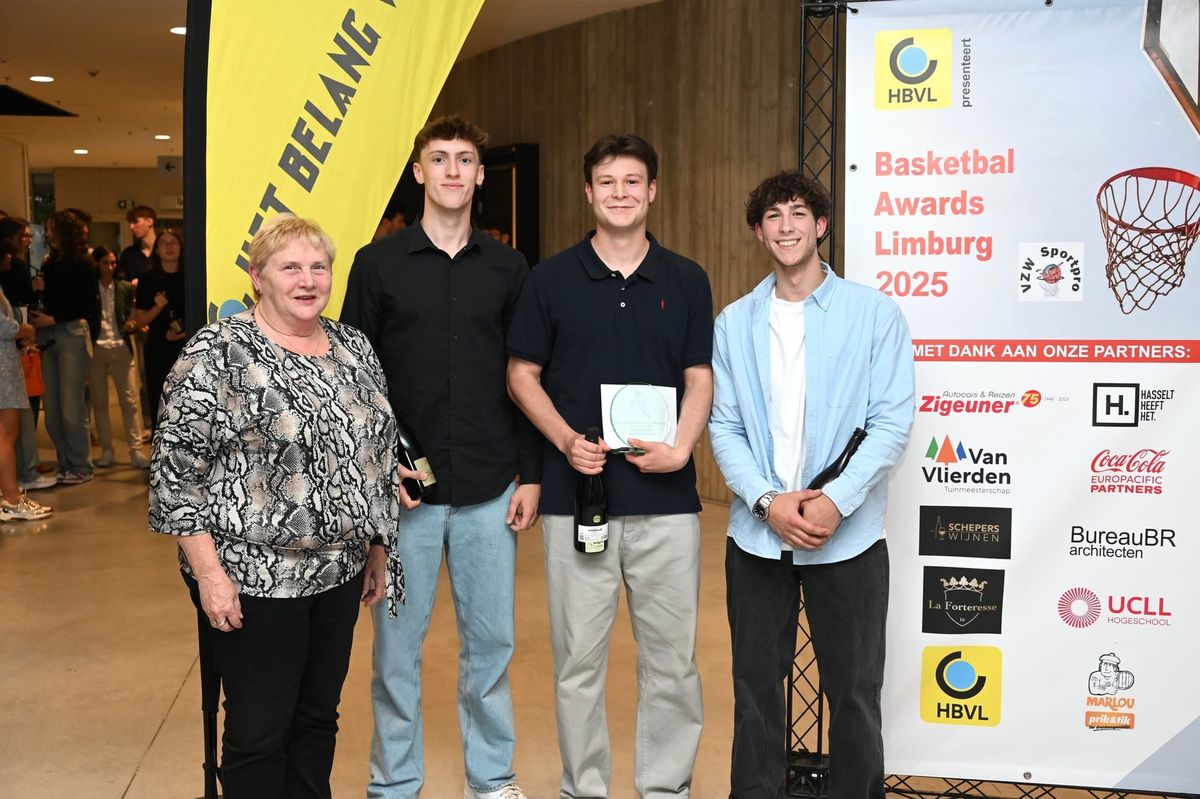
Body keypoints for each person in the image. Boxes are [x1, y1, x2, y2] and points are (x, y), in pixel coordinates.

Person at [149, 213, 404, 799]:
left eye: (319, 267)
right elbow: (175, 475)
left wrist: (375, 546)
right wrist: (210, 576)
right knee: (260, 731)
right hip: (254, 579)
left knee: (317, 718)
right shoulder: (220, 351)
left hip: (337, 573)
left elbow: (371, 450)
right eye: (291, 267)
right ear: (257, 275)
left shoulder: (352, 346)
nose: (307, 280)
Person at [507, 133, 713, 798]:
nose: (620, 192)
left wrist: (682, 446)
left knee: (672, 666)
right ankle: (584, 789)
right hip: (578, 502)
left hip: (667, 506)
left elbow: (699, 376)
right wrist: (566, 440)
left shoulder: (685, 278)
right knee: (577, 666)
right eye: (607, 181)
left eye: (632, 181)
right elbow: (521, 374)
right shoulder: (550, 279)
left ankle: (665, 789)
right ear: (588, 192)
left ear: (652, 190)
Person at [341, 114, 541, 799]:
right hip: (406, 499)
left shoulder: (511, 268)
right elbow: (355, 380)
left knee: (490, 648)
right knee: (397, 652)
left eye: (465, 159)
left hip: (490, 487)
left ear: (481, 175)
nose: (453, 170)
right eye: (440, 159)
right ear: (419, 172)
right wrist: (382, 466)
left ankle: (493, 780)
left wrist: (532, 474)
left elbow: (527, 375)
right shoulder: (378, 265)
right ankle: (394, 783)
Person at [708, 171, 914, 799]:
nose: (787, 226)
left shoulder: (874, 314)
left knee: (853, 694)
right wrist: (769, 503)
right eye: (773, 215)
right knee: (755, 693)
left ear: (821, 225)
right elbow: (724, 428)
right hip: (757, 538)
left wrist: (832, 501)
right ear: (758, 231)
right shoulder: (734, 323)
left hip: (847, 539)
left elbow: (891, 422)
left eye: (799, 213)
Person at [29, 210, 99, 485]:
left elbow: (88, 307)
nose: (46, 233)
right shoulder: (50, 263)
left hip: (71, 334)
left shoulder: (83, 264)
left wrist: (56, 317)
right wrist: (39, 290)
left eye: (50, 228)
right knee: (53, 411)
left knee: (72, 407)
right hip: (49, 336)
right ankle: (65, 463)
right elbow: (53, 300)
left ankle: (81, 465)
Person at [0, 217, 52, 490]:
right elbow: (3, 325)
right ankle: (12, 496)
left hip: (8, 358)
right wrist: (25, 329)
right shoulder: (10, 275)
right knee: (8, 433)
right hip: (5, 365)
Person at [87, 246, 149, 468]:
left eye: (113, 263)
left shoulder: (123, 287)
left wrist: (133, 323)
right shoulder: (90, 288)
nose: (110, 267)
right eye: (105, 263)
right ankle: (107, 450)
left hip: (121, 346)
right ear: (97, 264)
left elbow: (135, 310)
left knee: (130, 401)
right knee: (100, 402)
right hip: (97, 348)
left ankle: (136, 450)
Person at [133, 228, 186, 431]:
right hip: (157, 349)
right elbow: (139, 321)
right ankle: (159, 458)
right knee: (159, 402)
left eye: (174, 242)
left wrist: (184, 333)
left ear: (181, 247)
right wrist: (158, 306)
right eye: (163, 243)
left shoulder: (191, 276)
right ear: (156, 250)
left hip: (188, 348)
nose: (169, 247)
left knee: (186, 403)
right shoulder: (147, 280)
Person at [119, 204, 157, 281]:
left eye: (136, 222)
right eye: (130, 223)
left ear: (149, 221)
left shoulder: (165, 251)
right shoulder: (128, 254)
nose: (131, 227)